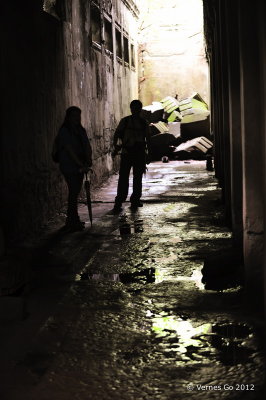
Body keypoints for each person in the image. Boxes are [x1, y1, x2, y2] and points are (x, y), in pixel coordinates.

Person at [56, 106, 92, 232]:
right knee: (73, 192)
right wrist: (80, 165)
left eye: (78, 116)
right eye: (74, 116)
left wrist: (88, 160)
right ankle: (72, 221)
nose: (77, 118)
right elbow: (69, 150)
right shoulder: (65, 131)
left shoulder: (80, 130)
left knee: (75, 193)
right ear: (68, 117)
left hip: (80, 165)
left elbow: (86, 145)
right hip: (69, 166)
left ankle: (72, 220)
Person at [112, 99, 151, 213]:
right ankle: (119, 201)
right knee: (124, 177)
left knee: (137, 177)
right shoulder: (125, 121)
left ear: (140, 109)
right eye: (133, 108)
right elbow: (117, 134)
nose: (135, 110)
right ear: (131, 109)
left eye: (137, 108)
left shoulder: (144, 123)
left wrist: (149, 153)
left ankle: (135, 200)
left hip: (138, 153)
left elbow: (148, 139)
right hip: (127, 153)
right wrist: (116, 146)